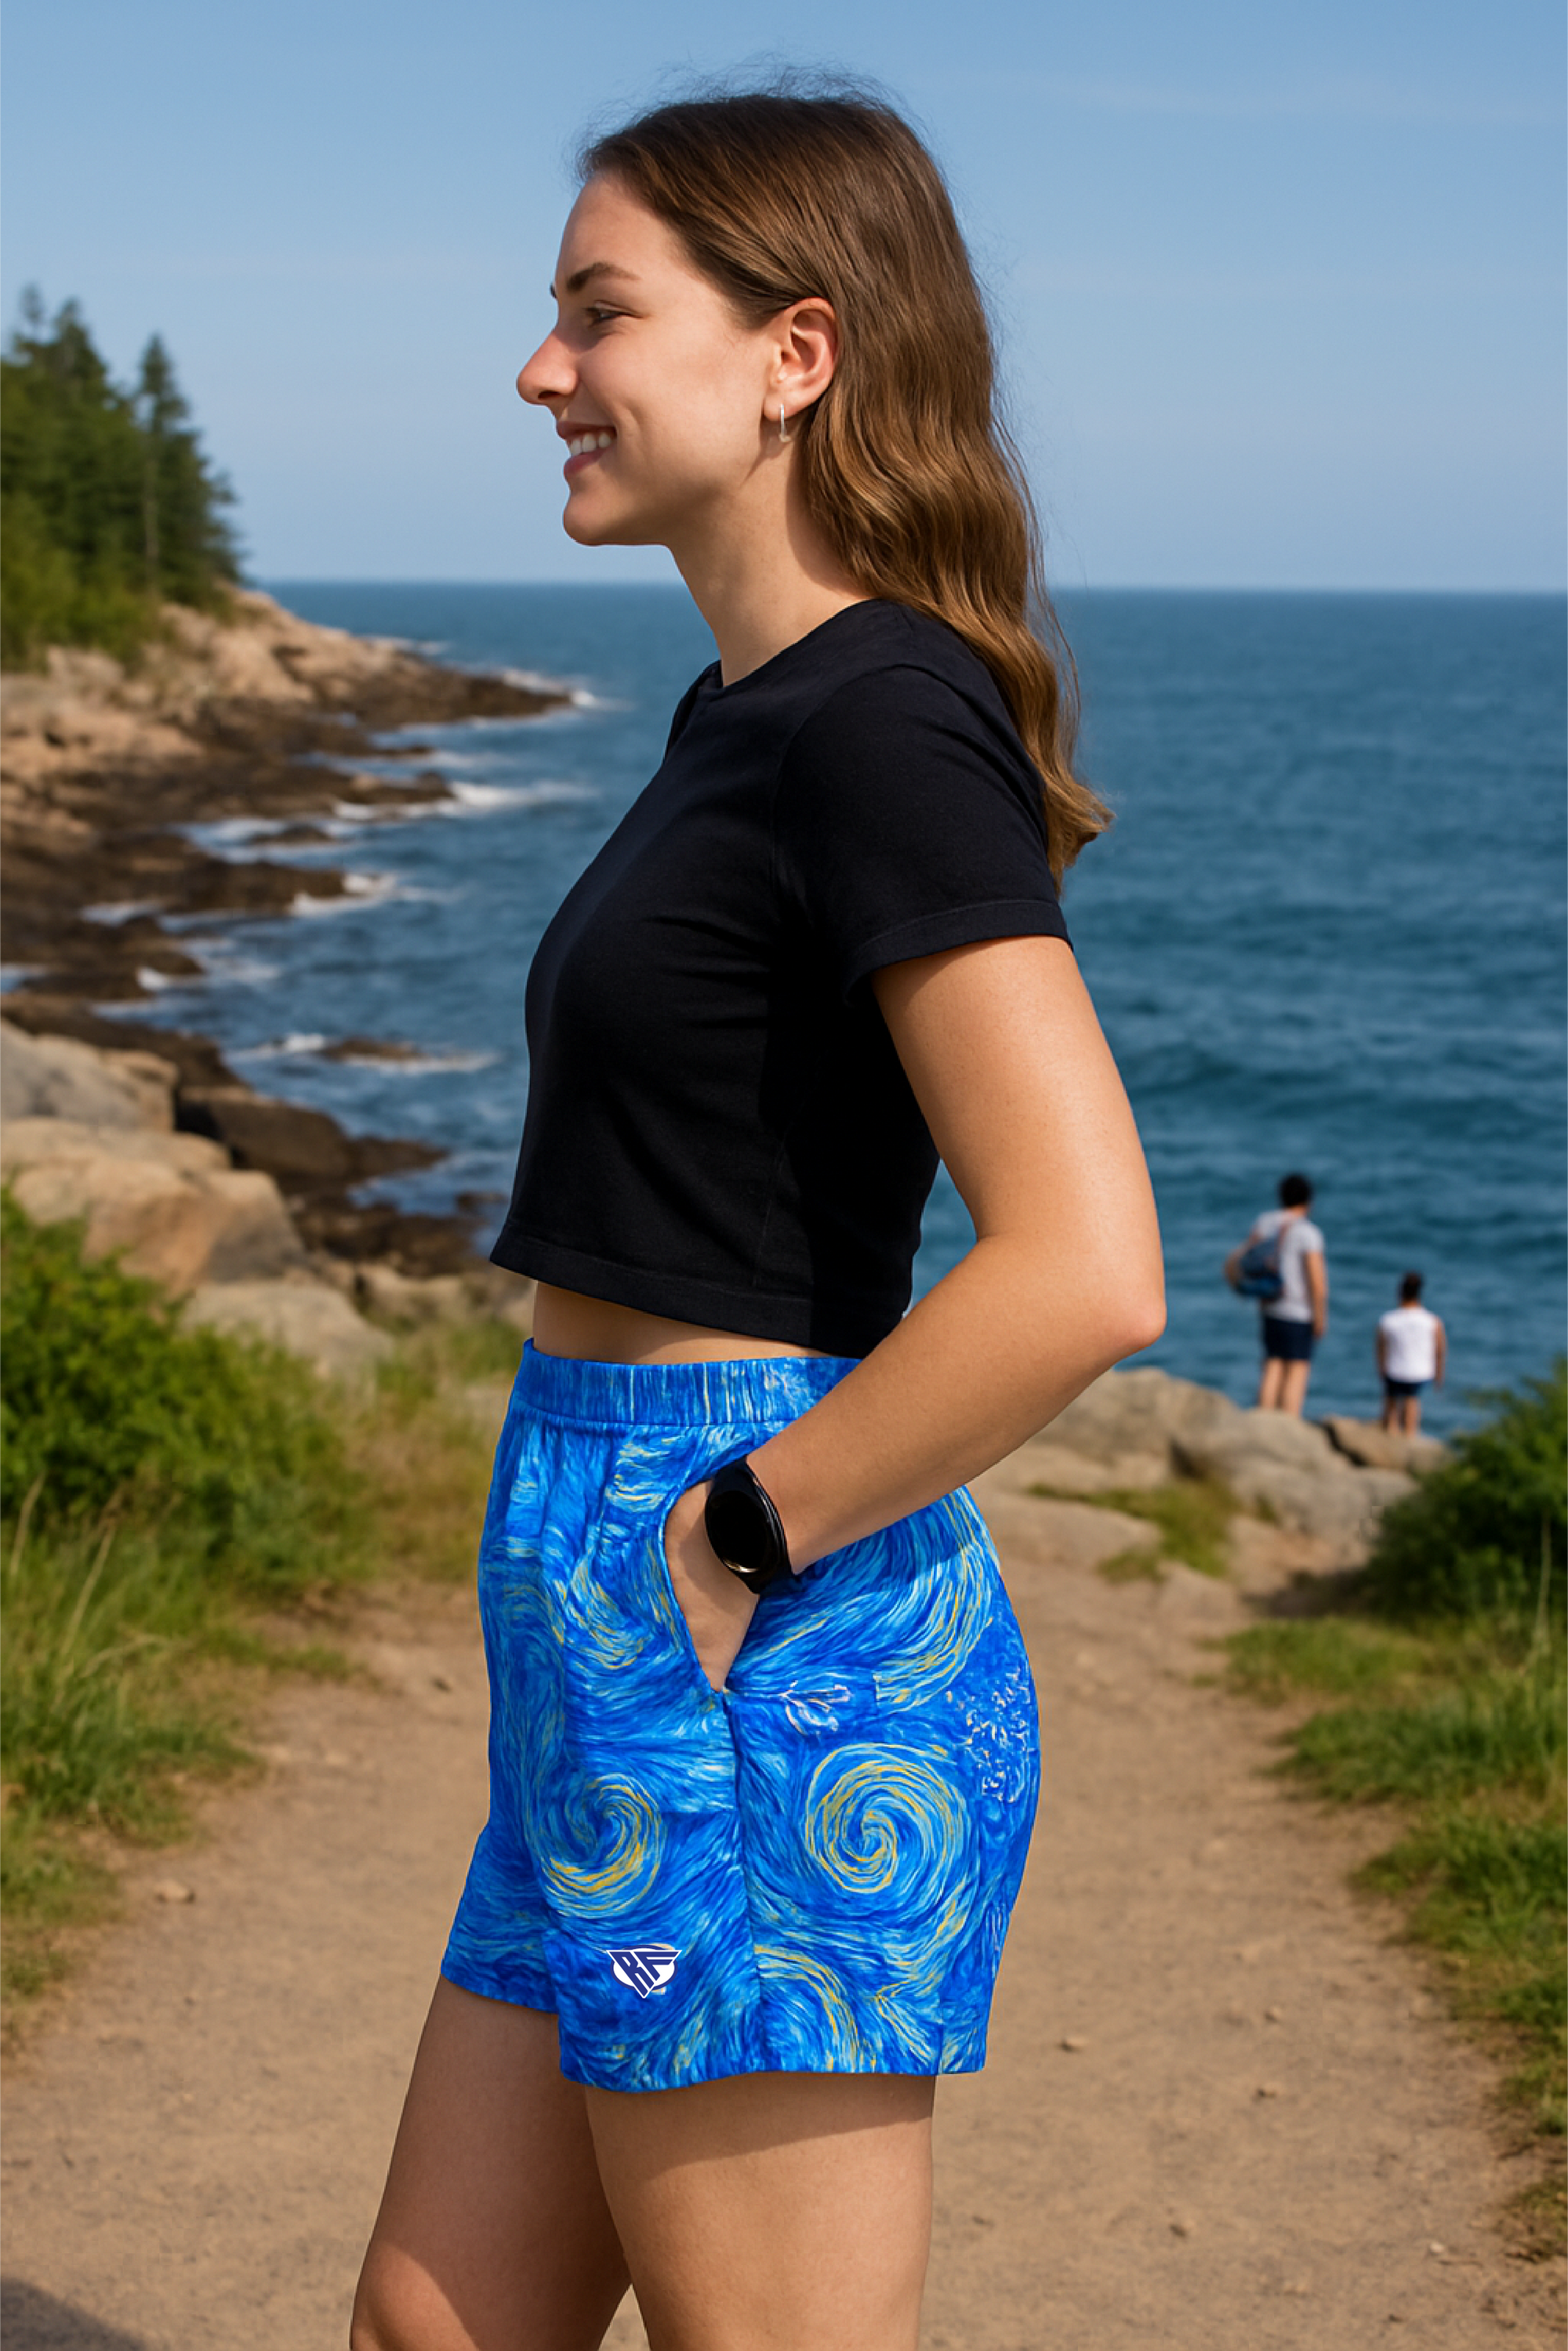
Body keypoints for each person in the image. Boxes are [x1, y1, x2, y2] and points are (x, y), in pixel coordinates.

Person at [352, 84, 1163, 2351]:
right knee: (439, 2318)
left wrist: (722, 1540)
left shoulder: (881, 716)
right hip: (607, 1581)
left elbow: (1087, 1256)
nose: (543, 371)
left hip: (744, 1609)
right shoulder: (748, 708)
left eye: (597, 312)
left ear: (795, 353)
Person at [1226, 1173, 1327, 1416]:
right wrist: (1320, 1319)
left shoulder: (1266, 1222)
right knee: (1296, 1370)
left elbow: (1242, 1257)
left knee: (1272, 1365)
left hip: (1270, 1305)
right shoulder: (1308, 1232)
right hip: (1299, 1311)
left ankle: (1263, 1422)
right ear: (1308, 1201)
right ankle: (1288, 1428)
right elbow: (1316, 1283)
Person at [1377, 1271, 1446, 1434]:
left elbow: (1380, 1349)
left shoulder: (1388, 1320)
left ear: (1400, 1292)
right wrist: (1439, 1374)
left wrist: (1381, 1369)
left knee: (1391, 1401)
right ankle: (1410, 1434)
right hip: (1419, 1372)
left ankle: (1390, 1432)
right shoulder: (1432, 1321)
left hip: (1394, 1370)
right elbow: (1440, 1351)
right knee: (1412, 1400)